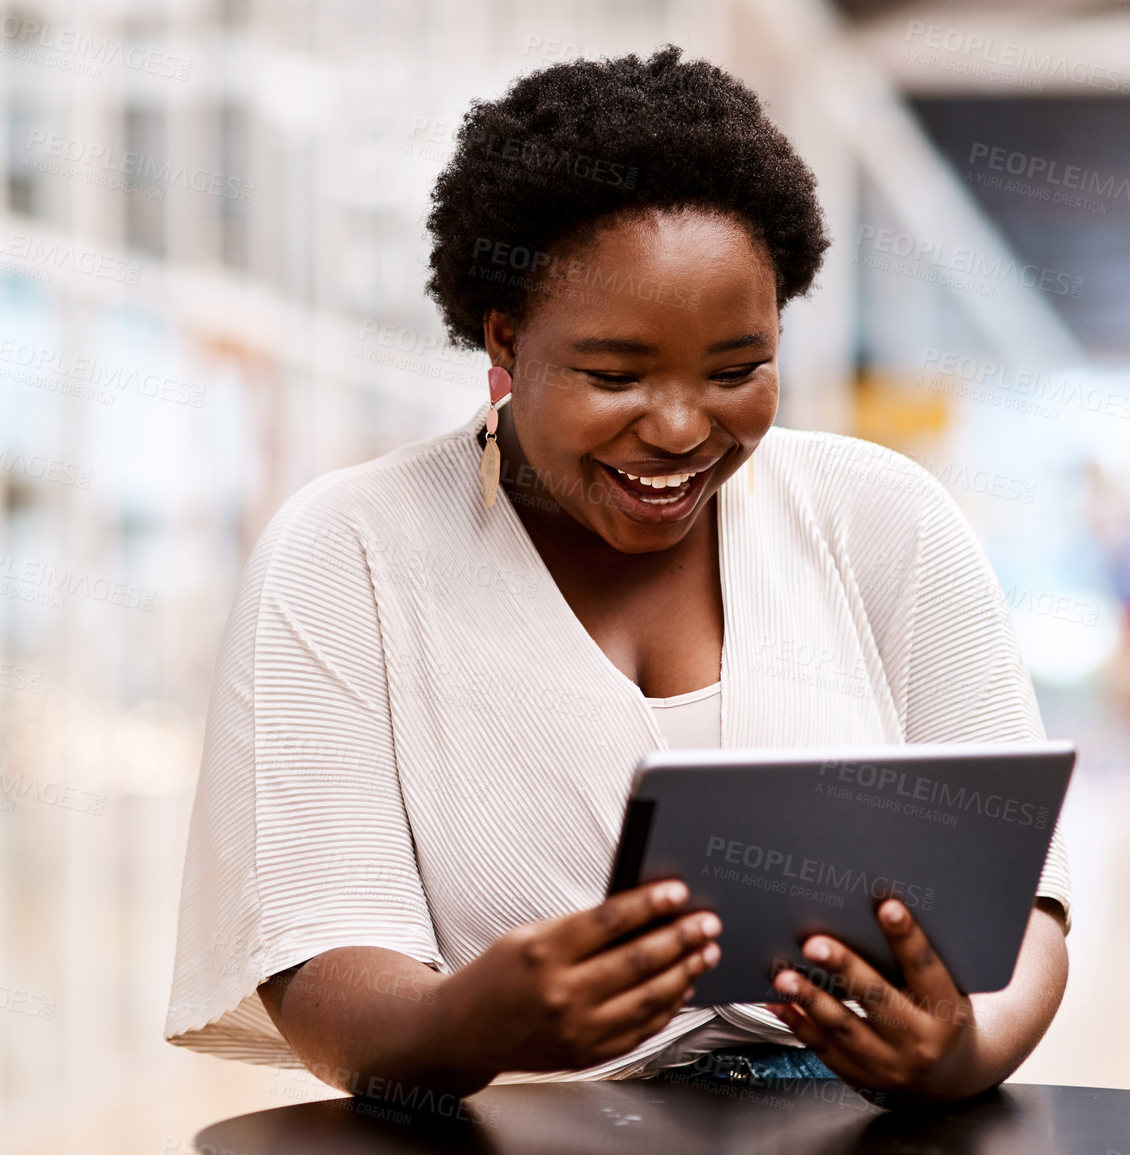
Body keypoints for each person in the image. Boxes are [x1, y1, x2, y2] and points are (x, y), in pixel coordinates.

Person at [164, 46, 1071, 1107]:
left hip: (859, 1127)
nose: (683, 428)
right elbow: (313, 961)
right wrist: (467, 1020)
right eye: (614, 375)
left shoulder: (883, 519)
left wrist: (966, 1053)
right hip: (526, 1130)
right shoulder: (348, 553)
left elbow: (1026, 901)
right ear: (504, 338)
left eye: (738, 369)